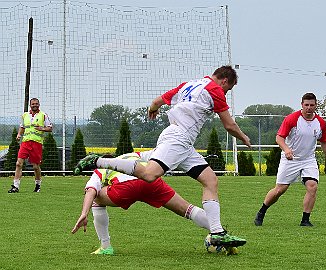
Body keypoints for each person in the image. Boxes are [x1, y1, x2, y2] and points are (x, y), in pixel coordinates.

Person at [74, 65, 251, 247]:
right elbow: (229, 125)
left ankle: (217, 233)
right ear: (225, 81)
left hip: (181, 142)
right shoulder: (215, 90)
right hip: (177, 139)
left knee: (210, 180)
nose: (226, 93)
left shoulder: (188, 84)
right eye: (228, 89)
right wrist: (244, 138)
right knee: (150, 174)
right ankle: (98, 161)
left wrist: (152, 108)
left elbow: (157, 101)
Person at [71, 153, 238, 255]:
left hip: (126, 188)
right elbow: (156, 156)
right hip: (151, 182)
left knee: (96, 198)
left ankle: (105, 246)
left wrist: (84, 213)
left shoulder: (99, 169)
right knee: (187, 209)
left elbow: (91, 190)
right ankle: (220, 233)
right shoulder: (132, 155)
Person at [254, 92, 326, 227]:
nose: (309, 107)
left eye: (312, 105)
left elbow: (325, 143)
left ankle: (305, 220)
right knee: (280, 190)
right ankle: (262, 211)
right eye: (306, 105)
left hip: (308, 160)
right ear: (302, 105)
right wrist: (286, 149)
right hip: (290, 160)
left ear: (316, 106)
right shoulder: (292, 119)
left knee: (312, 186)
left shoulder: (320, 123)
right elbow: (279, 138)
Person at [8, 98, 53, 193]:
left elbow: (50, 128)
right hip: (25, 142)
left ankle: (38, 185)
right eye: (33, 104)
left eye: (36, 103)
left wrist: (42, 128)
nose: (35, 105)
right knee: (18, 163)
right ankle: (15, 186)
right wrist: (19, 134)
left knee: (36, 167)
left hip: (37, 143)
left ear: (39, 104)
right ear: (30, 105)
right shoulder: (25, 115)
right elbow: (22, 126)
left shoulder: (43, 115)